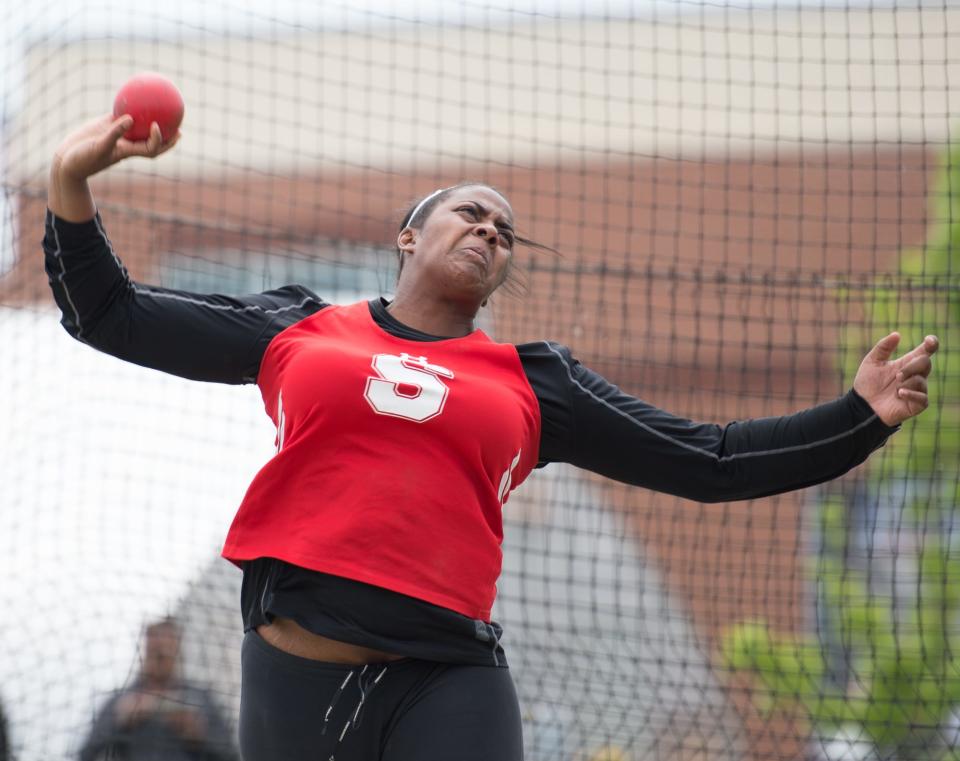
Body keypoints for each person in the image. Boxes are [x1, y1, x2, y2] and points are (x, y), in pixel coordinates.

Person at [45, 114, 939, 761]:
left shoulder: (536, 382)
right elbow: (112, 314)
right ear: (408, 234)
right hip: (298, 671)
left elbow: (711, 459)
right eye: (472, 212)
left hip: (449, 675)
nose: (491, 230)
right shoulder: (302, 328)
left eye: (506, 231)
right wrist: (70, 187)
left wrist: (857, 417)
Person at [77, 618, 238, 761]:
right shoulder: (121, 702)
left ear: (177, 652)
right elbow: (86, 754)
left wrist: (198, 734)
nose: (159, 660)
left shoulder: (202, 701)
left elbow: (231, 755)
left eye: (165, 653)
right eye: (154, 652)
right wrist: (120, 721)